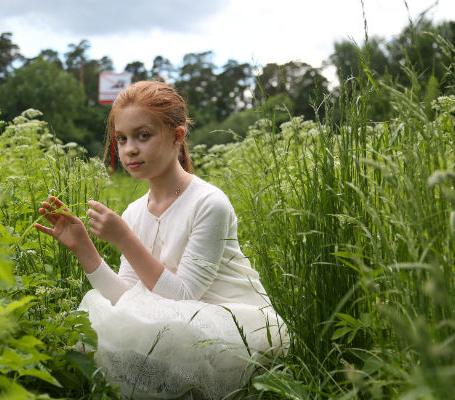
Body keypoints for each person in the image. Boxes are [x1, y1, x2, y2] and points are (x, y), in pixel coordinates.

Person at [34, 81, 288, 399]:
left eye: (143, 135)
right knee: (120, 318)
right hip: (176, 320)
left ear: (177, 136)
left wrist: (125, 239)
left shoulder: (209, 202)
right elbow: (123, 297)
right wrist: (84, 247)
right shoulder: (134, 211)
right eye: (122, 139)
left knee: (157, 327)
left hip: (227, 319)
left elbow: (184, 297)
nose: (130, 149)